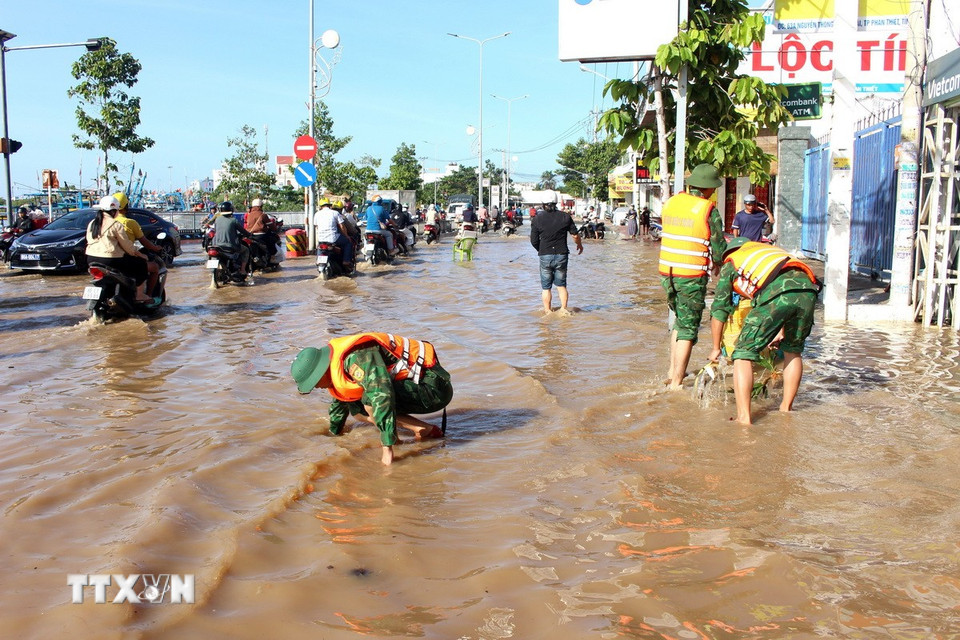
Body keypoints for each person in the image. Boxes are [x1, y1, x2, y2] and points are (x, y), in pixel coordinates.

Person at [290, 332, 454, 465]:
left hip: (433, 389)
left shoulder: (356, 359)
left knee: (369, 401)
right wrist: (334, 434)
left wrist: (387, 447)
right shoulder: (335, 364)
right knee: (356, 407)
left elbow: (381, 394)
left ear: (320, 372)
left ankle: (419, 431)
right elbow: (342, 401)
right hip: (416, 385)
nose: (316, 387)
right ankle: (414, 431)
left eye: (314, 382)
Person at [708, 237, 819, 425]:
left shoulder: (732, 261)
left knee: (743, 353)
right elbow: (785, 285)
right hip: (808, 290)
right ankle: (786, 410)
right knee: (793, 350)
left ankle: (744, 418)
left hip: (778, 291)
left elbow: (719, 309)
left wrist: (715, 348)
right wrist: (780, 331)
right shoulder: (767, 252)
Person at [659, 163, 727, 389]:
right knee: (688, 328)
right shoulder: (707, 209)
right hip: (690, 275)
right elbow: (718, 246)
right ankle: (676, 383)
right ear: (708, 188)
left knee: (680, 321)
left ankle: (672, 371)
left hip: (667, 272)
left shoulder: (671, 202)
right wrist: (718, 263)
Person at [85, 195, 151, 302]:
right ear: (114, 211)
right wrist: (141, 255)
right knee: (141, 264)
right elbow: (128, 246)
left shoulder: (92, 223)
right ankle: (139, 295)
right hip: (110, 260)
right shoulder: (116, 224)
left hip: (91, 258)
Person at [529, 190, 583, 314]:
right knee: (561, 285)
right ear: (556, 202)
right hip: (561, 254)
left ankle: (548, 312)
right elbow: (575, 235)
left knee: (546, 287)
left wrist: (541, 250)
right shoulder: (565, 217)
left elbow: (533, 240)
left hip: (545, 255)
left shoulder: (537, 219)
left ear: (543, 203)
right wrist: (579, 245)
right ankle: (563, 310)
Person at [113, 192, 163, 299]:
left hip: (101, 258)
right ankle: (147, 296)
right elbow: (144, 242)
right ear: (126, 206)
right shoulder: (129, 223)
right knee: (154, 267)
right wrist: (156, 248)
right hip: (123, 259)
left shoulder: (102, 222)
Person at [212, 201, 252, 276]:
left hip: (216, 245)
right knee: (246, 250)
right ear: (231, 210)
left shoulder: (217, 220)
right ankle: (243, 270)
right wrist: (249, 234)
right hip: (230, 246)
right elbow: (243, 231)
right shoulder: (233, 220)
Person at [315, 198, 354, 271]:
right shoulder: (335, 213)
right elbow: (342, 226)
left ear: (321, 206)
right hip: (333, 238)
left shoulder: (317, 214)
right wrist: (347, 236)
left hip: (321, 239)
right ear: (329, 205)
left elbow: (317, 227)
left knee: (319, 247)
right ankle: (346, 261)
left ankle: (318, 261)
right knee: (348, 242)